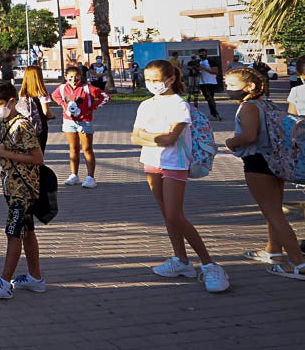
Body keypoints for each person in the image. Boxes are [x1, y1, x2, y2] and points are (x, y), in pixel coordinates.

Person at [130, 60, 229, 293]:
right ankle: (181, 261)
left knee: (176, 215)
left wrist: (150, 136)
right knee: (167, 215)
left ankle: (210, 264)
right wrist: (156, 137)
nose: (152, 84)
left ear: (171, 79)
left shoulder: (179, 105)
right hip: (152, 162)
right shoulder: (145, 105)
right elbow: (135, 137)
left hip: (175, 164)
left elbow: (171, 138)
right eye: (148, 80)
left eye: (156, 80)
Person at [224, 67, 305, 279]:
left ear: (249, 86)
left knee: (274, 214)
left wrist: (230, 142)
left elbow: (249, 136)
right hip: (275, 160)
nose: (228, 89)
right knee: (274, 210)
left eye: (232, 85)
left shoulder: (248, 107)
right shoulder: (267, 103)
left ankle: (298, 262)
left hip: (257, 162)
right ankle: (273, 251)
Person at [0, 81, 47, 300]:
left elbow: (37, 158)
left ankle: (4, 283)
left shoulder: (21, 125)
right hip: (13, 185)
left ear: (11, 101)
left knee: (13, 233)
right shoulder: (6, 123)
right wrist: (1, 151)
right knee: (27, 232)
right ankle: (35, 277)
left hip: (23, 189)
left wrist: (4, 153)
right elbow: (11, 150)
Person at [51, 65, 109, 188]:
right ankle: (74, 175)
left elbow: (105, 97)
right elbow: (54, 96)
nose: (73, 80)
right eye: (70, 77)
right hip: (69, 122)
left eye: (76, 77)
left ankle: (90, 177)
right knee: (73, 148)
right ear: (66, 77)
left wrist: (91, 108)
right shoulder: (62, 88)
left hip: (84, 121)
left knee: (87, 149)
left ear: (81, 77)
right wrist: (62, 104)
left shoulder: (87, 88)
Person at [17, 66, 51, 153]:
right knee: (39, 153)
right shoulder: (42, 92)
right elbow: (46, 111)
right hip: (39, 127)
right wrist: (51, 116)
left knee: (27, 153)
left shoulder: (22, 93)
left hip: (25, 126)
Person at [194, 48, 221, 120]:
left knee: (210, 98)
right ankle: (213, 113)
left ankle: (214, 114)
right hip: (202, 82)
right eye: (201, 54)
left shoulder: (211, 61)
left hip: (210, 82)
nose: (202, 55)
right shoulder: (199, 62)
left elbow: (215, 72)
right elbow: (196, 72)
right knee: (207, 98)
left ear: (206, 54)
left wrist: (204, 68)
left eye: (203, 53)